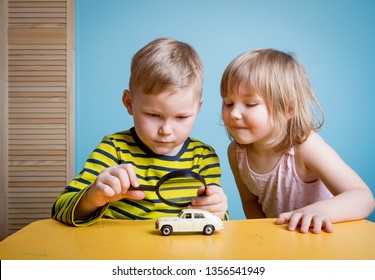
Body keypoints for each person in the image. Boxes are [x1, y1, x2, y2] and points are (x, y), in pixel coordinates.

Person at [52, 38, 228, 226]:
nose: (166, 130)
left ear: (197, 109)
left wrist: (217, 209)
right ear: (129, 103)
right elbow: (60, 210)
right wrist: (92, 197)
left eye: (181, 117)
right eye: (153, 115)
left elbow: (217, 222)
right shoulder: (114, 149)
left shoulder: (203, 157)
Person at [220, 49, 374, 233]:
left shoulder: (305, 148)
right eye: (228, 103)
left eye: (250, 104)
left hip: (325, 239)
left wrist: (321, 210)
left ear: (288, 109)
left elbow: (363, 197)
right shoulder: (236, 153)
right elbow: (250, 202)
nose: (234, 113)